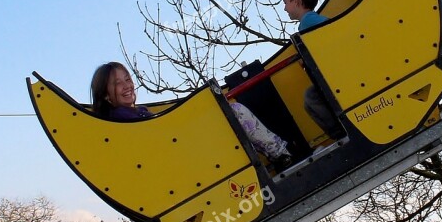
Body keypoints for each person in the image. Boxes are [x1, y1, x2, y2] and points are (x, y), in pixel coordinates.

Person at [90, 61, 293, 170]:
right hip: (184, 155)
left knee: (227, 114)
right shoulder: (126, 120)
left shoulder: (136, 114)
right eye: (117, 83)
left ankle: (269, 157)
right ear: (106, 94)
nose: (127, 85)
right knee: (235, 112)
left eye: (127, 79)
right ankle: (279, 153)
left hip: (182, 149)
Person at [281, 0, 347, 140]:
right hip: (336, 73)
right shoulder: (310, 20)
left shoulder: (308, 21)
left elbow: (329, 40)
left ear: (296, 0)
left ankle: (341, 133)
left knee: (311, 97)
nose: (285, 8)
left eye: (286, 2)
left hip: (336, 75)